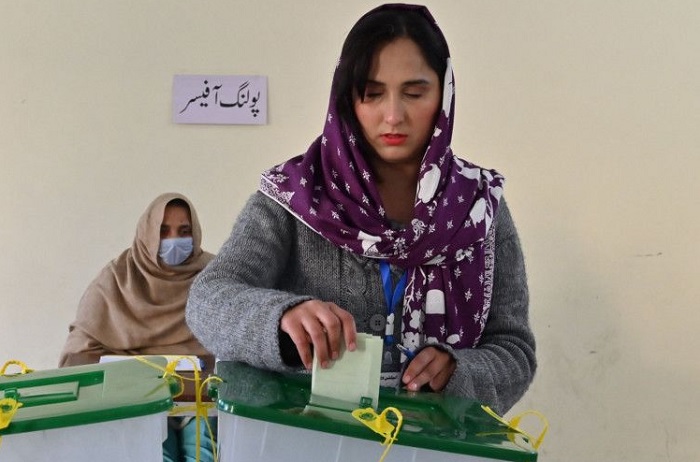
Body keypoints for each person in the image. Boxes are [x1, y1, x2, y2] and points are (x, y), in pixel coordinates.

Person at [186, 3, 536, 414]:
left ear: (445, 94)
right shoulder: (295, 196)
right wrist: (282, 316)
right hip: (304, 443)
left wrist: (460, 371)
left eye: (414, 92)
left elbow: (514, 350)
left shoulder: (479, 206)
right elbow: (208, 300)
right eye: (372, 94)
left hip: (431, 447)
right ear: (347, 99)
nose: (393, 115)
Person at [59, 192, 217, 462]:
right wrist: (132, 378)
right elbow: (78, 354)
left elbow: (236, 345)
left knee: (203, 455)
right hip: (135, 400)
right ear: (148, 232)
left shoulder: (214, 277)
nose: (173, 241)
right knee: (152, 454)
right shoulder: (117, 279)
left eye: (183, 231)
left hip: (200, 398)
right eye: (163, 231)